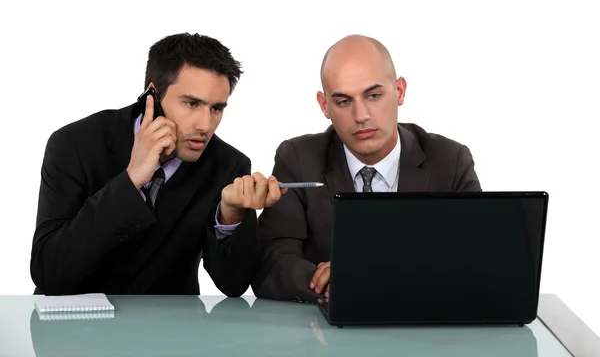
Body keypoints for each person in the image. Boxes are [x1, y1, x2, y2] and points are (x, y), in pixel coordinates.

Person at [31, 33, 284, 296]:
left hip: (169, 330)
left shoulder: (228, 165)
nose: (205, 126)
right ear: (152, 95)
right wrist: (131, 181)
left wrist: (230, 215)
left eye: (216, 109)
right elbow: (48, 272)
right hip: (74, 327)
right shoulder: (74, 144)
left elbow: (233, 285)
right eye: (192, 103)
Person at [251, 34, 481, 303]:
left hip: (423, 331)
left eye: (373, 95)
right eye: (344, 102)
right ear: (325, 106)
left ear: (400, 91)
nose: (361, 116)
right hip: (330, 335)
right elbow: (272, 262)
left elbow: (474, 260)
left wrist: (365, 275)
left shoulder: (450, 160)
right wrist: (330, 284)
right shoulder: (298, 159)